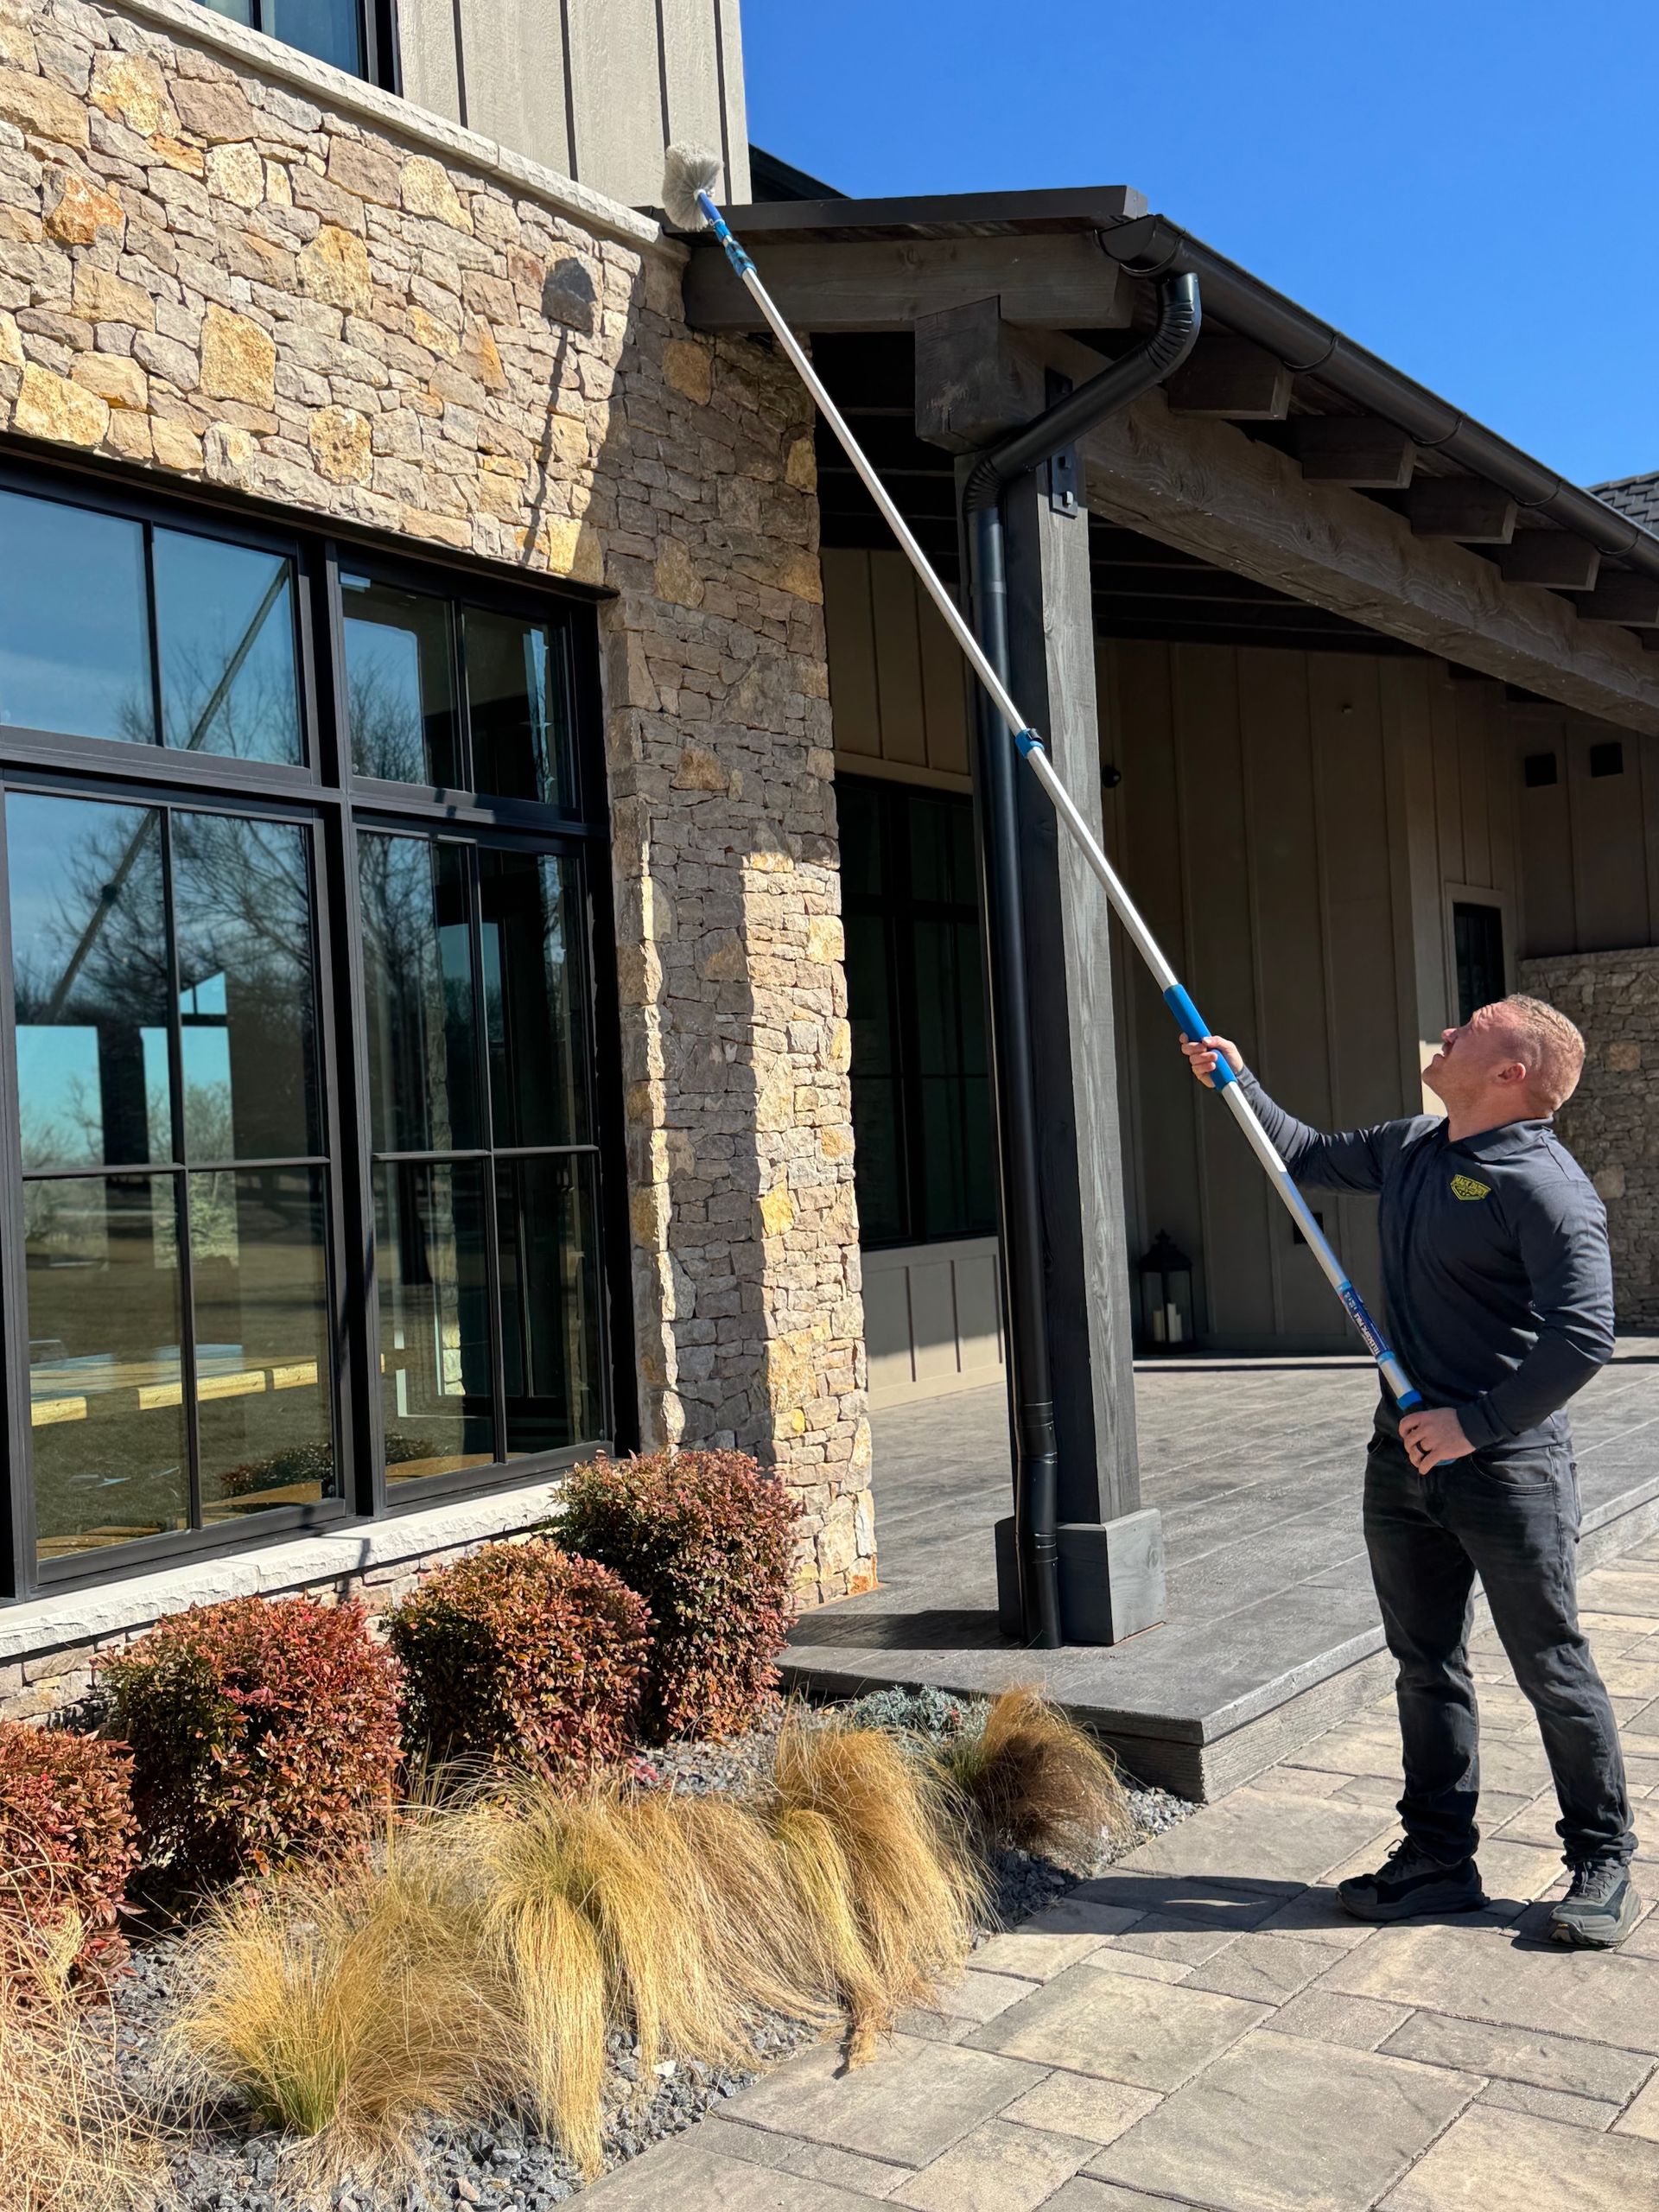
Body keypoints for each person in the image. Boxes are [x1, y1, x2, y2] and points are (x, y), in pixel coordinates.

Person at [1182, 996, 1637, 1948]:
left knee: (1549, 1665)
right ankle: (1439, 1858)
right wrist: (1239, 1080)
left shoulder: (1546, 1187)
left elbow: (1586, 1335)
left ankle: (1601, 1857)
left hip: (1505, 1467)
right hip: (1401, 1459)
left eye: (1476, 1024)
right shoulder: (1415, 1147)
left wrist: (1473, 1426)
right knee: (1424, 1662)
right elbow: (1302, 1155)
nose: (1451, 1027)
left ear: (1512, 1072)